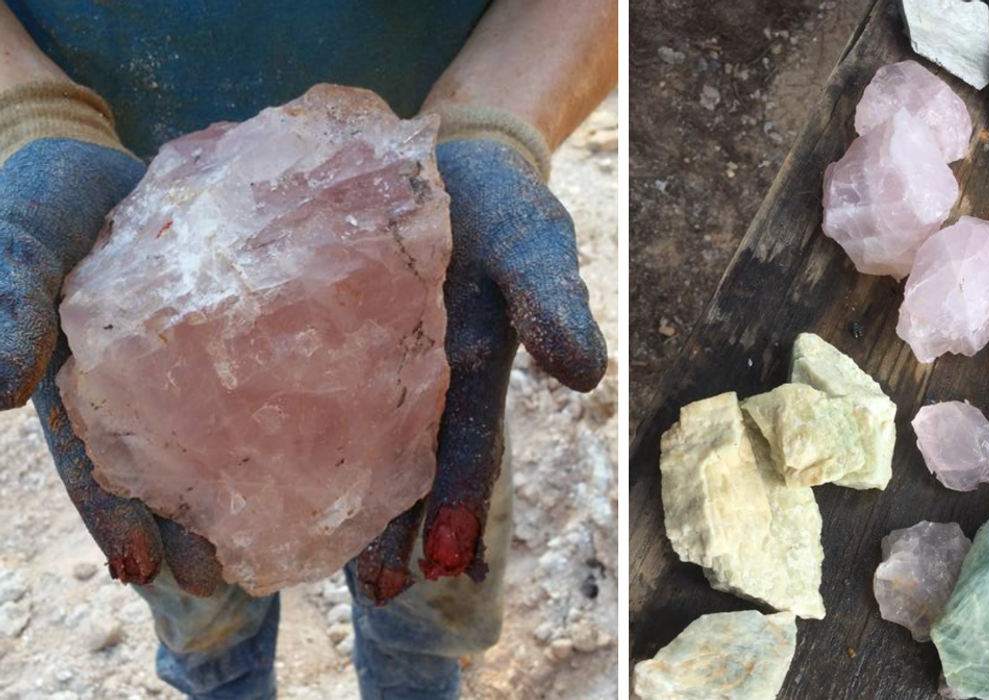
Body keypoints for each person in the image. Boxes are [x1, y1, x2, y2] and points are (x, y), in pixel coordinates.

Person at [0, 2, 615, 698]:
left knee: (430, 567)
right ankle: (224, 678)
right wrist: (29, 114)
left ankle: (415, 677)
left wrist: (490, 127)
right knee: (192, 597)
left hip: (427, 280)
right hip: (120, 232)